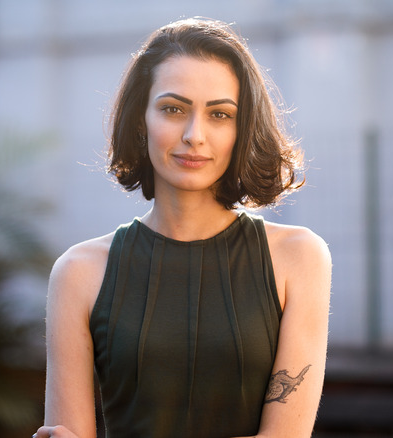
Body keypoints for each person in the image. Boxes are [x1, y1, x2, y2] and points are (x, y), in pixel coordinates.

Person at [35, 17, 331, 438]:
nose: (195, 135)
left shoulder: (298, 258)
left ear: (241, 128)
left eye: (220, 114)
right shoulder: (79, 273)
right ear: (141, 121)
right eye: (173, 109)